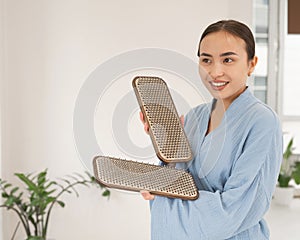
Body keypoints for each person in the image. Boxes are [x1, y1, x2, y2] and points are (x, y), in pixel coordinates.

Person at [140, 19, 283, 240]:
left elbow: (230, 213)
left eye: (228, 60)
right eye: (206, 60)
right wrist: (165, 147)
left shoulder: (262, 122)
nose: (215, 72)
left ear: (251, 64)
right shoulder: (195, 117)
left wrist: (165, 199)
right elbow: (176, 181)